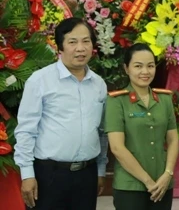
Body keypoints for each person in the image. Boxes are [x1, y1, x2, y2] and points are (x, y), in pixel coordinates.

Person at [14, 17, 108, 209]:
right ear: (60, 48)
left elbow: (101, 132)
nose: (80, 48)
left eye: (86, 41)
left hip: (87, 174)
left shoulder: (99, 84)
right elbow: (26, 130)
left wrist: (100, 170)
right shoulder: (40, 80)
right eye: (72, 42)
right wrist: (27, 174)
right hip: (49, 175)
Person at [104, 43, 179, 210]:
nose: (145, 72)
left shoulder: (165, 99)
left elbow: (173, 140)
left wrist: (167, 174)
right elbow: (117, 148)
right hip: (130, 186)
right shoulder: (117, 101)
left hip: (162, 183)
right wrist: (148, 181)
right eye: (138, 66)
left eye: (150, 66)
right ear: (126, 68)